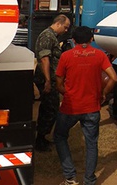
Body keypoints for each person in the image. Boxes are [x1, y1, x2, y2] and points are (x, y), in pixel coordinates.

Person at [53, 26, 117, 185]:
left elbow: (59, 82)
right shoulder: (100, 55)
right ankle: (89, 180)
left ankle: (70, 177)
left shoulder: (66, 56)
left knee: (60, 136)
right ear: (91, 39)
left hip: (70, 107)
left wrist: (67, 93)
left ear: (73, 40)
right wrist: (104, 93)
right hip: (92, 107)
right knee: (91, 144)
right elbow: (114, 78)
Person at [33, 14, 71, 151]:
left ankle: (41, 138)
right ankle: (40, 140)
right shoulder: (47, 36)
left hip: (49, 78)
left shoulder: (52, 36)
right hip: (46, 79)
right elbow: (44, 59)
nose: (66, 30)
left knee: (48, 108)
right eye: (65, 27)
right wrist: (48, 80)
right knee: (51, 109)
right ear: (59, 24)